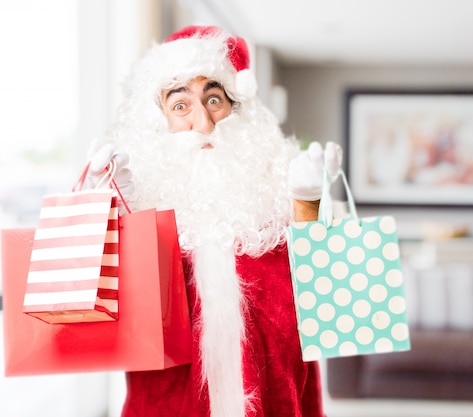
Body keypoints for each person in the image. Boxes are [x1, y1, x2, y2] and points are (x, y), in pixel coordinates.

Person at [86, 25, 342, 417]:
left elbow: (326, 304)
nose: (203, 123)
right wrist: (113, 209)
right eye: (181, 105)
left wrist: (308, 202)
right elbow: (109, 313)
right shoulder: (144, 202)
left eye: (214, 99)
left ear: (237, 107)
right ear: (158, 121)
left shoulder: (274, 197)